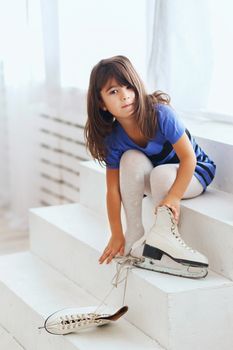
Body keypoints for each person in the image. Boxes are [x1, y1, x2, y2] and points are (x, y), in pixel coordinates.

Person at [84, 55, 216, 278]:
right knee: (131, 159)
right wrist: (117, 232)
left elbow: (189, 159)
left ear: (136, 86)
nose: (125, 95)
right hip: (156, 179)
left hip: (193, 173)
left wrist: (173, 197)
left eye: (128, 86)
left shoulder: (160, 114)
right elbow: (113, 190)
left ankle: (165, 235)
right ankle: (134, 231)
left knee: (161, 175)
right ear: (101, 104)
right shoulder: (114, 138)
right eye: (113, 92)